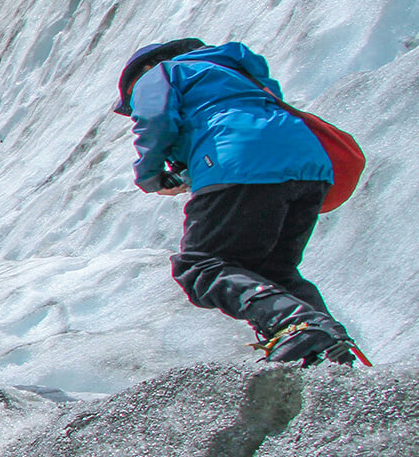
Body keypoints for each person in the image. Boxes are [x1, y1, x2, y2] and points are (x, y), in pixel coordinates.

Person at [114, 39, 357, 365]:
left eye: (131, 100)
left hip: (239, 160)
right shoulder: (235, 72)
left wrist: (151, 176)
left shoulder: (160, 72)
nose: (134, 105)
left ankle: (296, 327)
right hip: (309, 165)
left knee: (200, 266)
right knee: (273, 270)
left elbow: (155, 120)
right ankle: (327, 349)